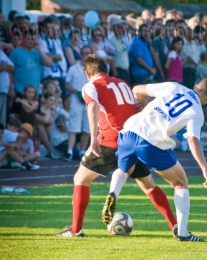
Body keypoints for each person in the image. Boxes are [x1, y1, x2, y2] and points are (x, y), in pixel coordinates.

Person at [56, 55, 178, 238]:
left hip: (111, 141)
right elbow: (139, 107)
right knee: (149, 185)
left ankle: (75, 229)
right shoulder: (122, 83)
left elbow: (91, 107)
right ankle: (175, 225)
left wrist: (93, 137)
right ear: (106, 69)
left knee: (81, 179)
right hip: (134, 139)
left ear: (87, 73)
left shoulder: (91, 86)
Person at [106, 78, 207, 242]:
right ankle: (183, 232)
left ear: (196, 86)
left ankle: (113, 193)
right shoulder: (197, 112)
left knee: (125, 170)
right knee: (180, 182)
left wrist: (144, 107)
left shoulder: (173, 86)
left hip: (129, 131)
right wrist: (205, 170)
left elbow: (136, 89)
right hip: (150, 143)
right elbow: (193, 140)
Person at [64, 46, 92, 161]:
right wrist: (77, 92)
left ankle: (82, 152)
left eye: (88, 53)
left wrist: (87, 95)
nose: (85, 55)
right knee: (73, 127)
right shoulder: (73, 68)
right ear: (80, 55)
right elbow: (66, 85)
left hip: (89, 102)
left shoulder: (93, 70)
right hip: (76, 101)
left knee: (87, 128)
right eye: (83, 53)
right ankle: (69, 152)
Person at [0, 49, 14, 126]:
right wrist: (3, 67)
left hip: (3, 90)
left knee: (2, 121)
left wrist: (3, 67)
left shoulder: (1, 52)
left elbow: (12, 67)